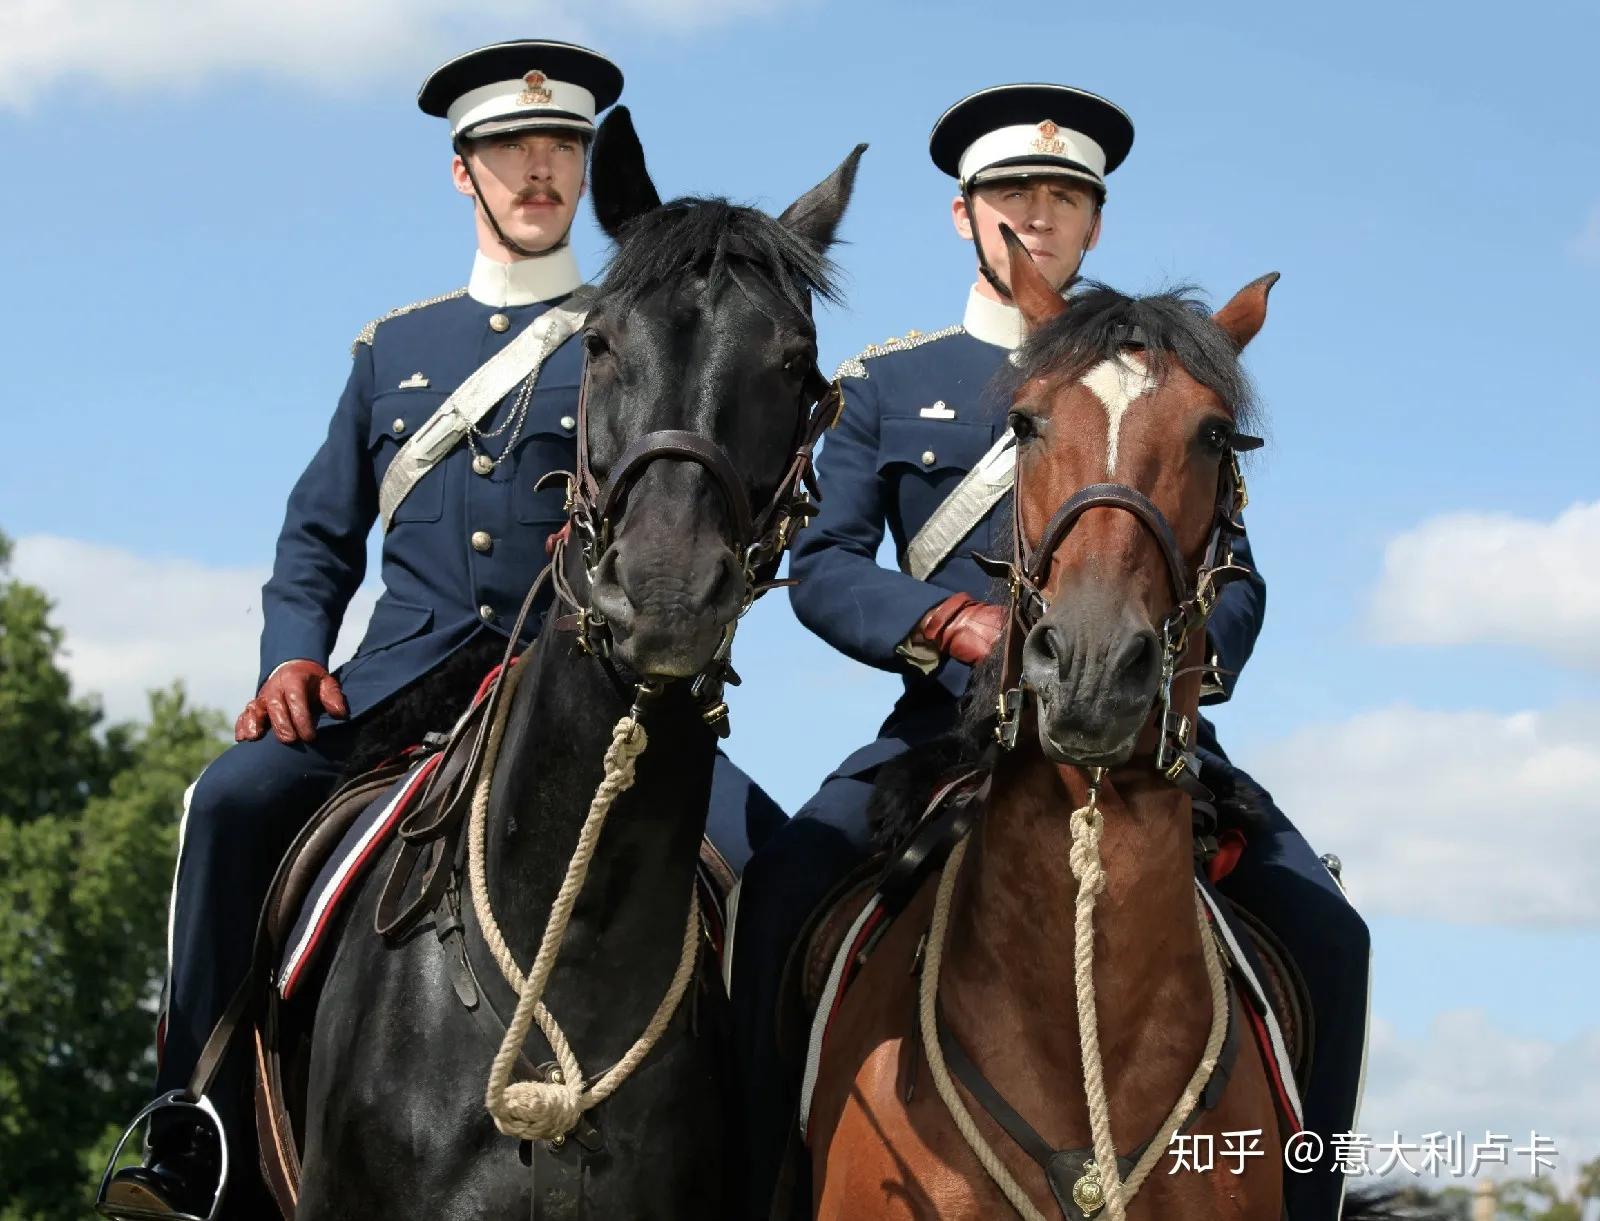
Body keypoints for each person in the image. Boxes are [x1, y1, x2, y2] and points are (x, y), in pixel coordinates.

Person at [100, 40, 783, 1221]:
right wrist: (291, 657)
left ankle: (775, 1167)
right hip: (398, 688)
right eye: (510, 150)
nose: (539, 170)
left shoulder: (636, 330)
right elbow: (318, 537)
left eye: (561, 147)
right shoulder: (394, 351)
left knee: (767, 867)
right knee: (229, 802)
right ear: (463, 172)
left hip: (586, 690)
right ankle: (190, 1134)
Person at [730, 83, 1370, 1219]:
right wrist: (950, 625)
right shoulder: (888, 381)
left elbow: (1235, 576)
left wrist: (1177, 672)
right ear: (962, 215)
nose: (1037, 213)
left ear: (1095, 226)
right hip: (945, 732)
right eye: (1010, 193)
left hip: (1149, 729)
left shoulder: (1166, 381)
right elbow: (824, 566)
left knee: (1328, 930)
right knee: (778, 894)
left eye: (1064, 197)